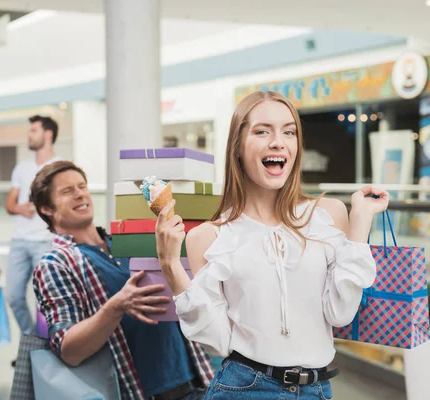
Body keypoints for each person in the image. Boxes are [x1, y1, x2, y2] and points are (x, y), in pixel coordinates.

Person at [155, 91, 389, 399]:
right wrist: (171, 266)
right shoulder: (209, 237)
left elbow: (340, 313)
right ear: (237, 147)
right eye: (262, 131)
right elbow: (218, 341)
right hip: (243, 387)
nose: (278, 141)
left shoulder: (328, 216)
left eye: (289, 131)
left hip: (317, 390)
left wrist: (360, 222)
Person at [31, 161, 216, 400]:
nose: (80, 194)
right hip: (139, 393)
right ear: (46, 208)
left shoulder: (127, 242)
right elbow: (69, 351)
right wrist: (116, 306)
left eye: (82, 186)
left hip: (198, 381)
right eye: (67, 191)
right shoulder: (55, 264)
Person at [5, 115, 61, 346]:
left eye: (34, 130)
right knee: (13, 296)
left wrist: (43, 208)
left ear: (48, 134)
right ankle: (31, 341)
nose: (29, 135)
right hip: (20, 241)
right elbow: (10, 205)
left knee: (45, 299)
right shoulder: (22, 168)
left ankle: (47, 346)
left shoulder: (60, 166)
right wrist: (20, 208)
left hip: (46, 241)